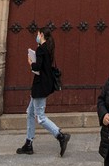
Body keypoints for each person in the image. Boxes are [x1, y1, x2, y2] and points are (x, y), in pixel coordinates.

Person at [16, 26, 70, 157]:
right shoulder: (48, 48)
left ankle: (60, 135)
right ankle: (28, 143)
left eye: (38, 34)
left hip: (40, 87)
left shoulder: (41, 49)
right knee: (30, 112)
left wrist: (30, 63)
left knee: (40, 117)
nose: (37, 36)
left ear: (41, 35)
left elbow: (38, 67)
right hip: (42, 86)